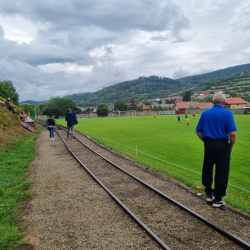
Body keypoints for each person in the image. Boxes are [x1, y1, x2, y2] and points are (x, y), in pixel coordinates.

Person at [195, 93, 237, 208]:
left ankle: (209, 194)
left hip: (208, 144)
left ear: (212, 102)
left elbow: (198, 131)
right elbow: (232, 133)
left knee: (207, 167)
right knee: (222, 171)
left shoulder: (205, 113)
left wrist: (206, 142)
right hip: (222, 144)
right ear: (224, 102)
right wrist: (231, 147)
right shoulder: (227, 113)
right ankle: (217, 199)